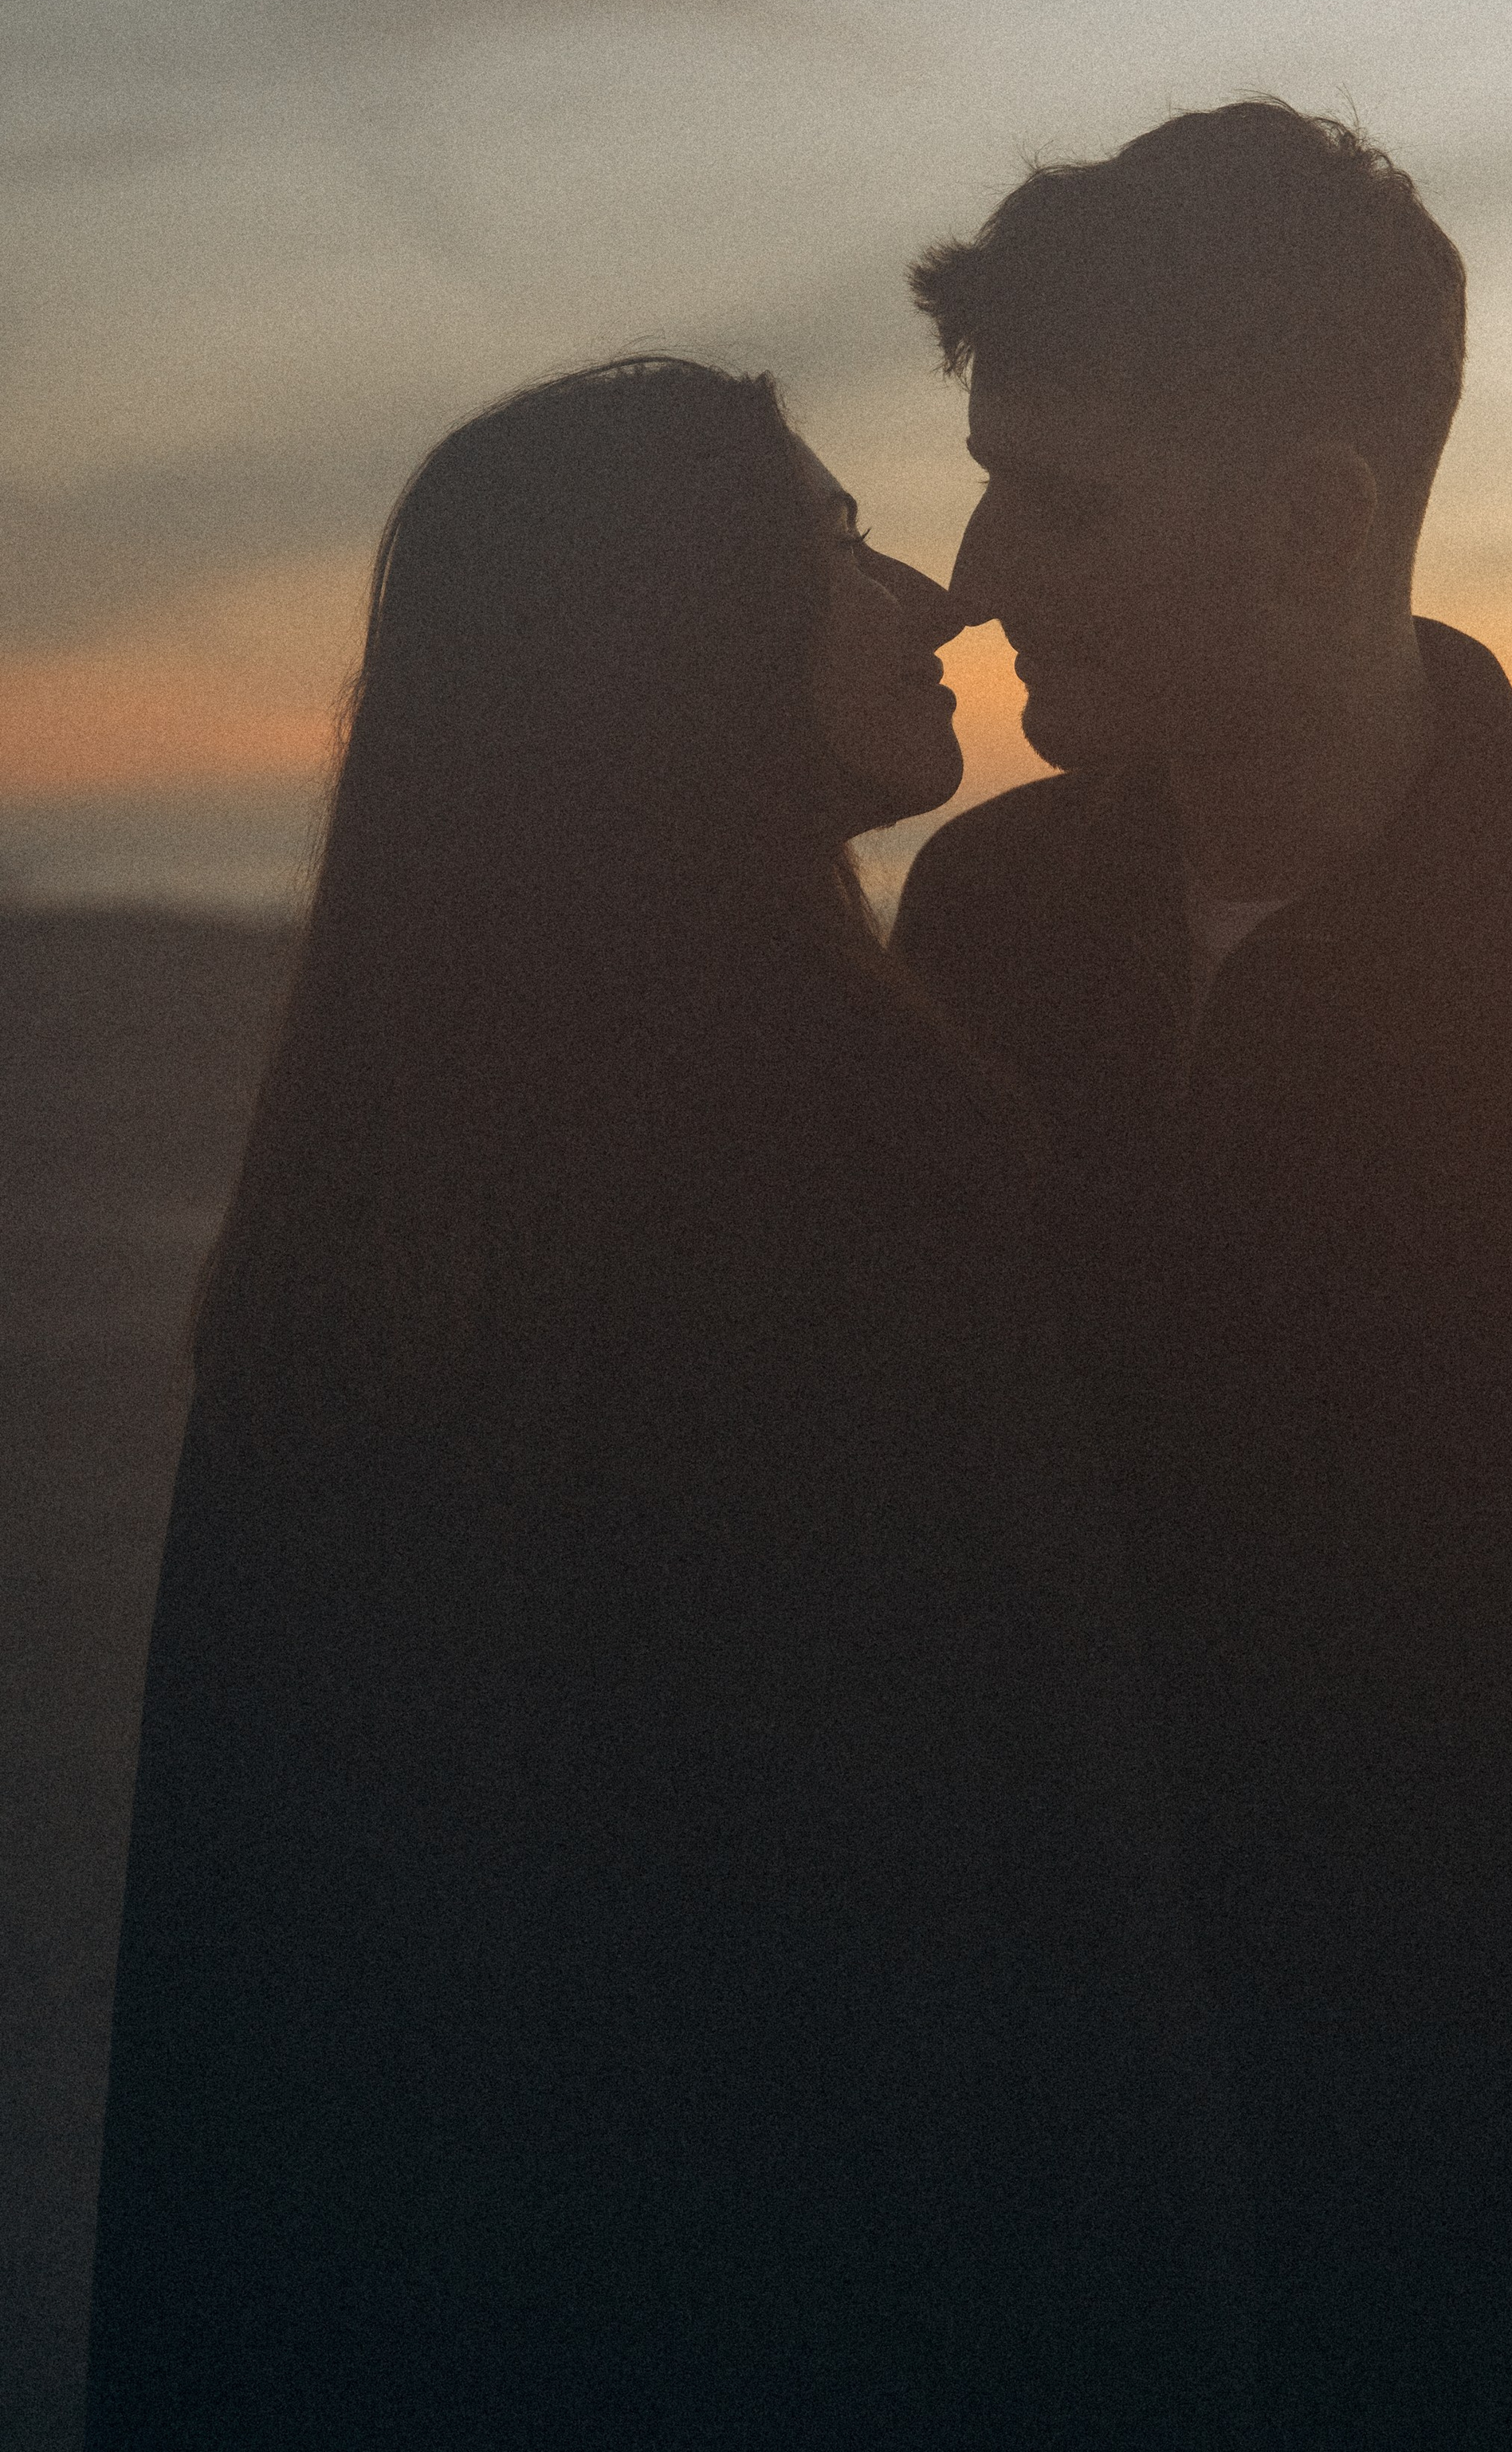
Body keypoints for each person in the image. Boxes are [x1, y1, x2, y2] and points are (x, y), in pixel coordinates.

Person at [87, 356, 1252, 2450]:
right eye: (828, 540)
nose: (933, 594)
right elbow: (964, 1962)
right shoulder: (833, 1183)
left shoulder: (389, 1198)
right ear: (668, 644)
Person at [893, 103, 1512, 2450]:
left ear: (1320, 519)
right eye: (980, 473)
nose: (968, 566)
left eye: (1068, 498)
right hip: (1027, 2292)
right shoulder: (988, 931)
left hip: (1474, 2334)